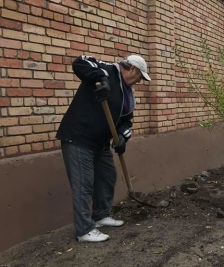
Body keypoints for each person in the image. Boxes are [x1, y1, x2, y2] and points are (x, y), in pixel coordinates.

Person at [56, 55, 151, 242]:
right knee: (84, 184)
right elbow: (80, 62)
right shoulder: (108, 70)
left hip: (101, 143)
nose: (140, 81)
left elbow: (126, 122)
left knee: (108, 176)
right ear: (132, 68)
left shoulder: (129, 95)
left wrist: (122, 138)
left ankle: (100, 216)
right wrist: (100, 78)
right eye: (140, 76)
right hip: (78, 137)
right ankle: (84, 230)